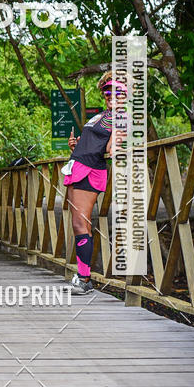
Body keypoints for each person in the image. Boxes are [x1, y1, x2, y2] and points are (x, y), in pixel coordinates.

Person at [63, 71, 127, 295]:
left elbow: (111, 149)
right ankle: (83, 277)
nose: (111, 95)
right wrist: (77, 144)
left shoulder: (120, 118)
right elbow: (94, 141)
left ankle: (84, 278)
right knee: (79, 225)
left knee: (81, 224)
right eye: (107, 90)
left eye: (117, 91)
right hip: (78, 166)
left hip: (90, 171)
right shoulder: (100, 116)